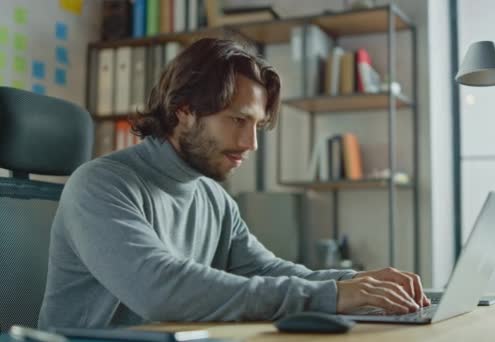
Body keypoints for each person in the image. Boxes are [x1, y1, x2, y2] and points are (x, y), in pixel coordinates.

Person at [38, 38, 430, 329]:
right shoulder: (100, 185)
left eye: (257, 126)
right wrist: (333, 296)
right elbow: (161, 291)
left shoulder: (212, 196)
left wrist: (356, 282)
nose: (251, 143)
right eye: (237, 120)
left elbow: (268, 270)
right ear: (185, 112)